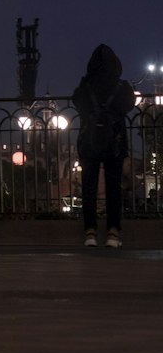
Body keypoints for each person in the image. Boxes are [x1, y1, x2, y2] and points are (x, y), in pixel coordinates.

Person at [72, 43, 135, 249]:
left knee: (88, 188)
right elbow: (129, 105)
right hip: (115, 142)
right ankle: (113, 233)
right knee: (113, 188)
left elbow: (77, 102)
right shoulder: (121, 86)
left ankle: (90, 232)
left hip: (89, 141)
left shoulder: (86, 85)